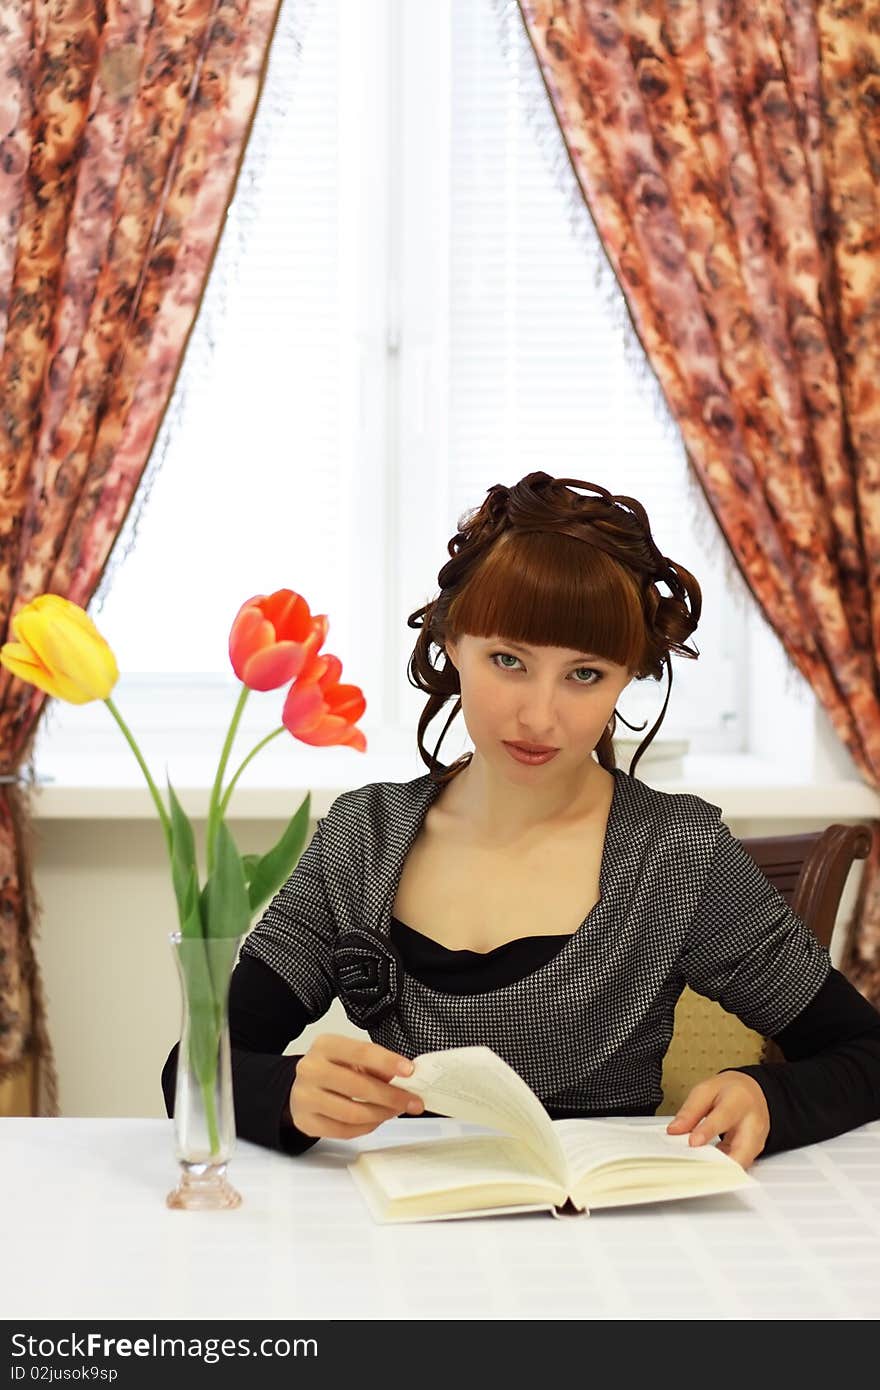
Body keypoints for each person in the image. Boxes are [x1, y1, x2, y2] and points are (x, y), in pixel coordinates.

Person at [162, 471, 880, 1167]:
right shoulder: (362, 838)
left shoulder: (676, 855)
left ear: (631, 676)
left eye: (585, 675)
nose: (539, 717)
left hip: (610, 1243)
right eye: (508, 661)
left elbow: (866, 1055)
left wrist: (767, 1095)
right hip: (398, 1239)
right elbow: (191, 1068)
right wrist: (288, 1093)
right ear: (451, 642)